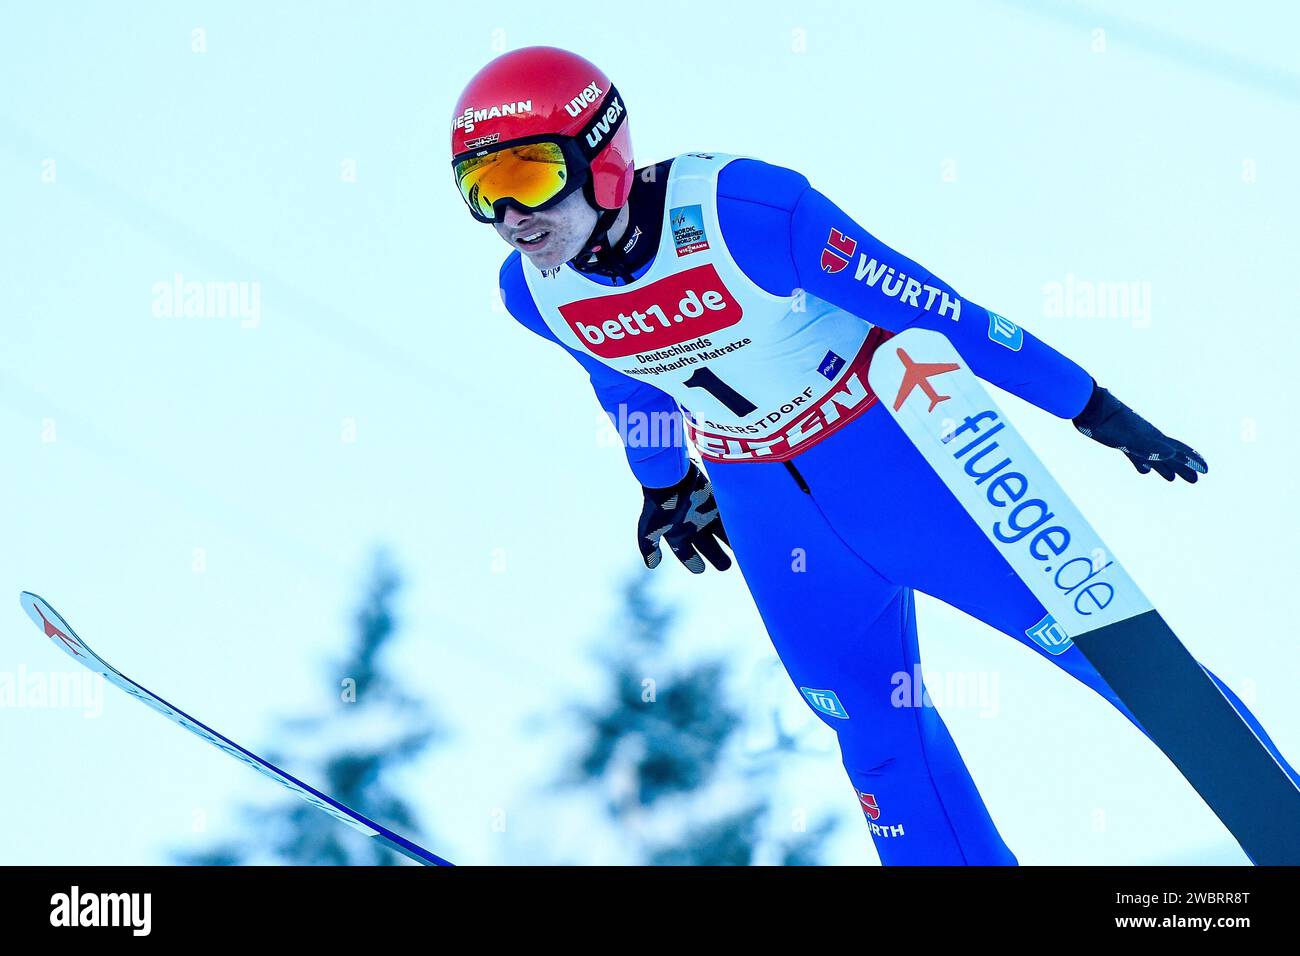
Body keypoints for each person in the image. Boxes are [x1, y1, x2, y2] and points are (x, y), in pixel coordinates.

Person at [451, 45, 1296, 864]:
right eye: (481, 189)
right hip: (771, 514)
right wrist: (665, 485)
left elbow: (940, 311)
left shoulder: (744, 214)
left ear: (600, 158)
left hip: (896, 463)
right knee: (877, 739)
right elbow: (625, 383)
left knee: (1124, 661)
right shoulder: (533, 292)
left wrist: (1087, 404)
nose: (510, 216)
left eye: (528, 175)